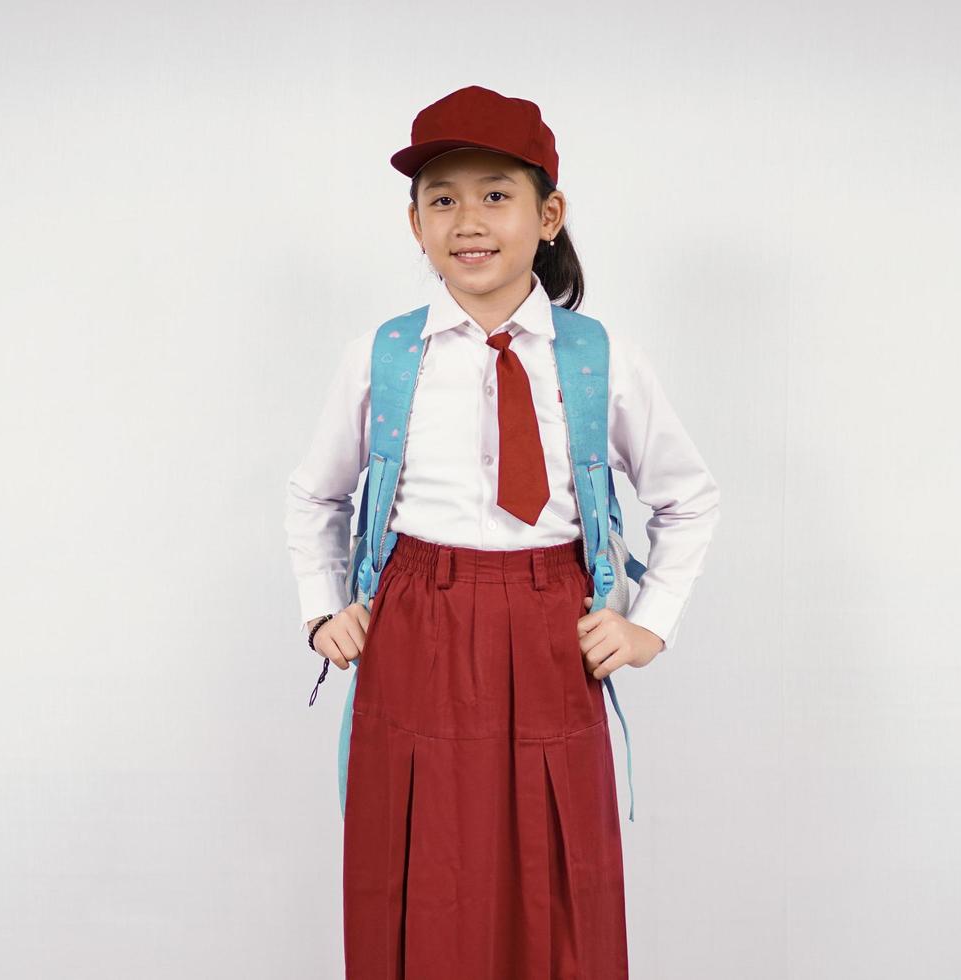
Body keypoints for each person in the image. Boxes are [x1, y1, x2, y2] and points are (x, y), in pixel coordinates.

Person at [283, 84, 720, 980]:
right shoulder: (383, 355)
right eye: (441, 199)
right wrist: (325, 609)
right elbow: (314, 495)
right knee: (418, 868)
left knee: (554, 872)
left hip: (552, 626)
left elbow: (688, 496)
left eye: (495, 195)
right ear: (414, 224)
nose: (467, 221)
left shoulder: (600, 357)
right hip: (416, 626)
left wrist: (648, 625)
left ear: (548, 213)